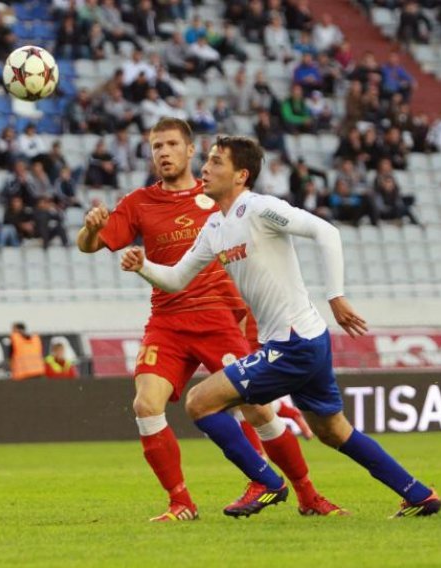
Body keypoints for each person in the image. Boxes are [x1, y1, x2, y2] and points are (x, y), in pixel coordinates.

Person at [122, 135, 441, 519]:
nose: (205, 169)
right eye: (206, 161)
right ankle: (419, 494)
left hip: (294, 343)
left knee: (200, 402)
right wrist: (143, 266)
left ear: (241, 175)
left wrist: (336, 296)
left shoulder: (259, 209)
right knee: (333, 430)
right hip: (303, 341)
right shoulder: (214, 228)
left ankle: (268, 483)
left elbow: (327, 232)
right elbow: (175, 279)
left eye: (216, 162)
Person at [78, 118, 341, 522]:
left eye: (170, 144)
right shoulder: (139, 203)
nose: (162, 152)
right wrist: (91, 230)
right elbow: (90, 246)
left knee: (259, 412)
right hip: (167, 322)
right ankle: (180, 502)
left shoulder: (219, 199)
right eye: (155, 146)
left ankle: (307, 494)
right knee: (146, 404)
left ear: (189, 151)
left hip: (219, 319)